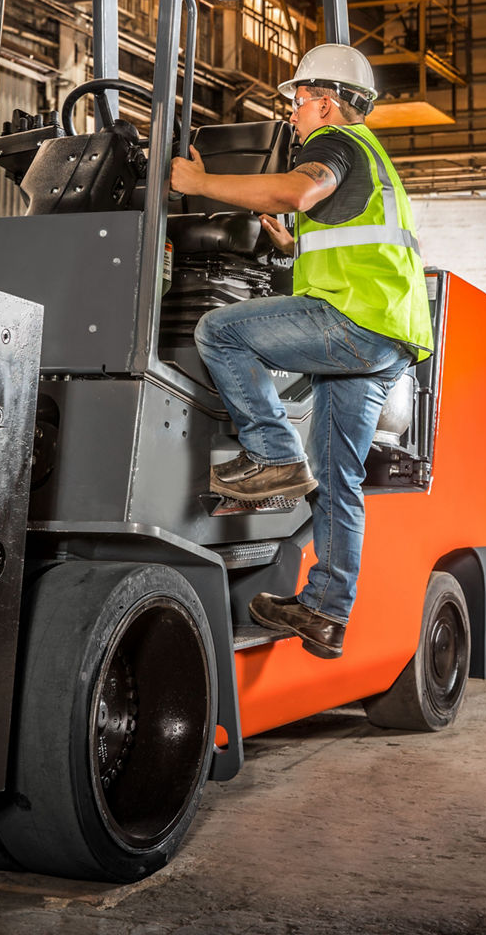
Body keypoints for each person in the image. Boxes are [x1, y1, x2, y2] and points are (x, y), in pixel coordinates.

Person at [170, 44, 433, 660]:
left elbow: (296, 191)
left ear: (323, 99)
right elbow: (335, 236)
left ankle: (271, 457)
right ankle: (324, 612)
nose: (291, 116)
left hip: (355, 325)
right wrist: (288, 243)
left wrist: (199, 182)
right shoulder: (374, 162)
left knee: (218, 331)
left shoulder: (336, 145)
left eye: (295, 102)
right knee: (337, 484)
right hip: (387, 340)